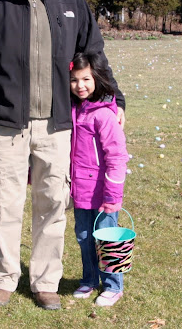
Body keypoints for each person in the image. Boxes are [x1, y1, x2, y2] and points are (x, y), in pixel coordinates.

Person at [0, 0, 125, 310]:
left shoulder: (72, 2)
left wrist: (115, 98)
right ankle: (2, 278)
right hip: (6, 125)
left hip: (57, 125)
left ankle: (45, 281)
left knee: (52, 203)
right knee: (3, 203)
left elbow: (94, 56)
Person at [69, 52, 129, 307]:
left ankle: (113, 286)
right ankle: (90, 279)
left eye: (86, 79)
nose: (80, 85)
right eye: (74, 80)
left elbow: (117, 156)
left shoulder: (104, 114)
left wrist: (113, 195)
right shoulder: (73, 111)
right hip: (80, 190)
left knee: (107, 238)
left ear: (97, 79)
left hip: (103, 192)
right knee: (84, 236)